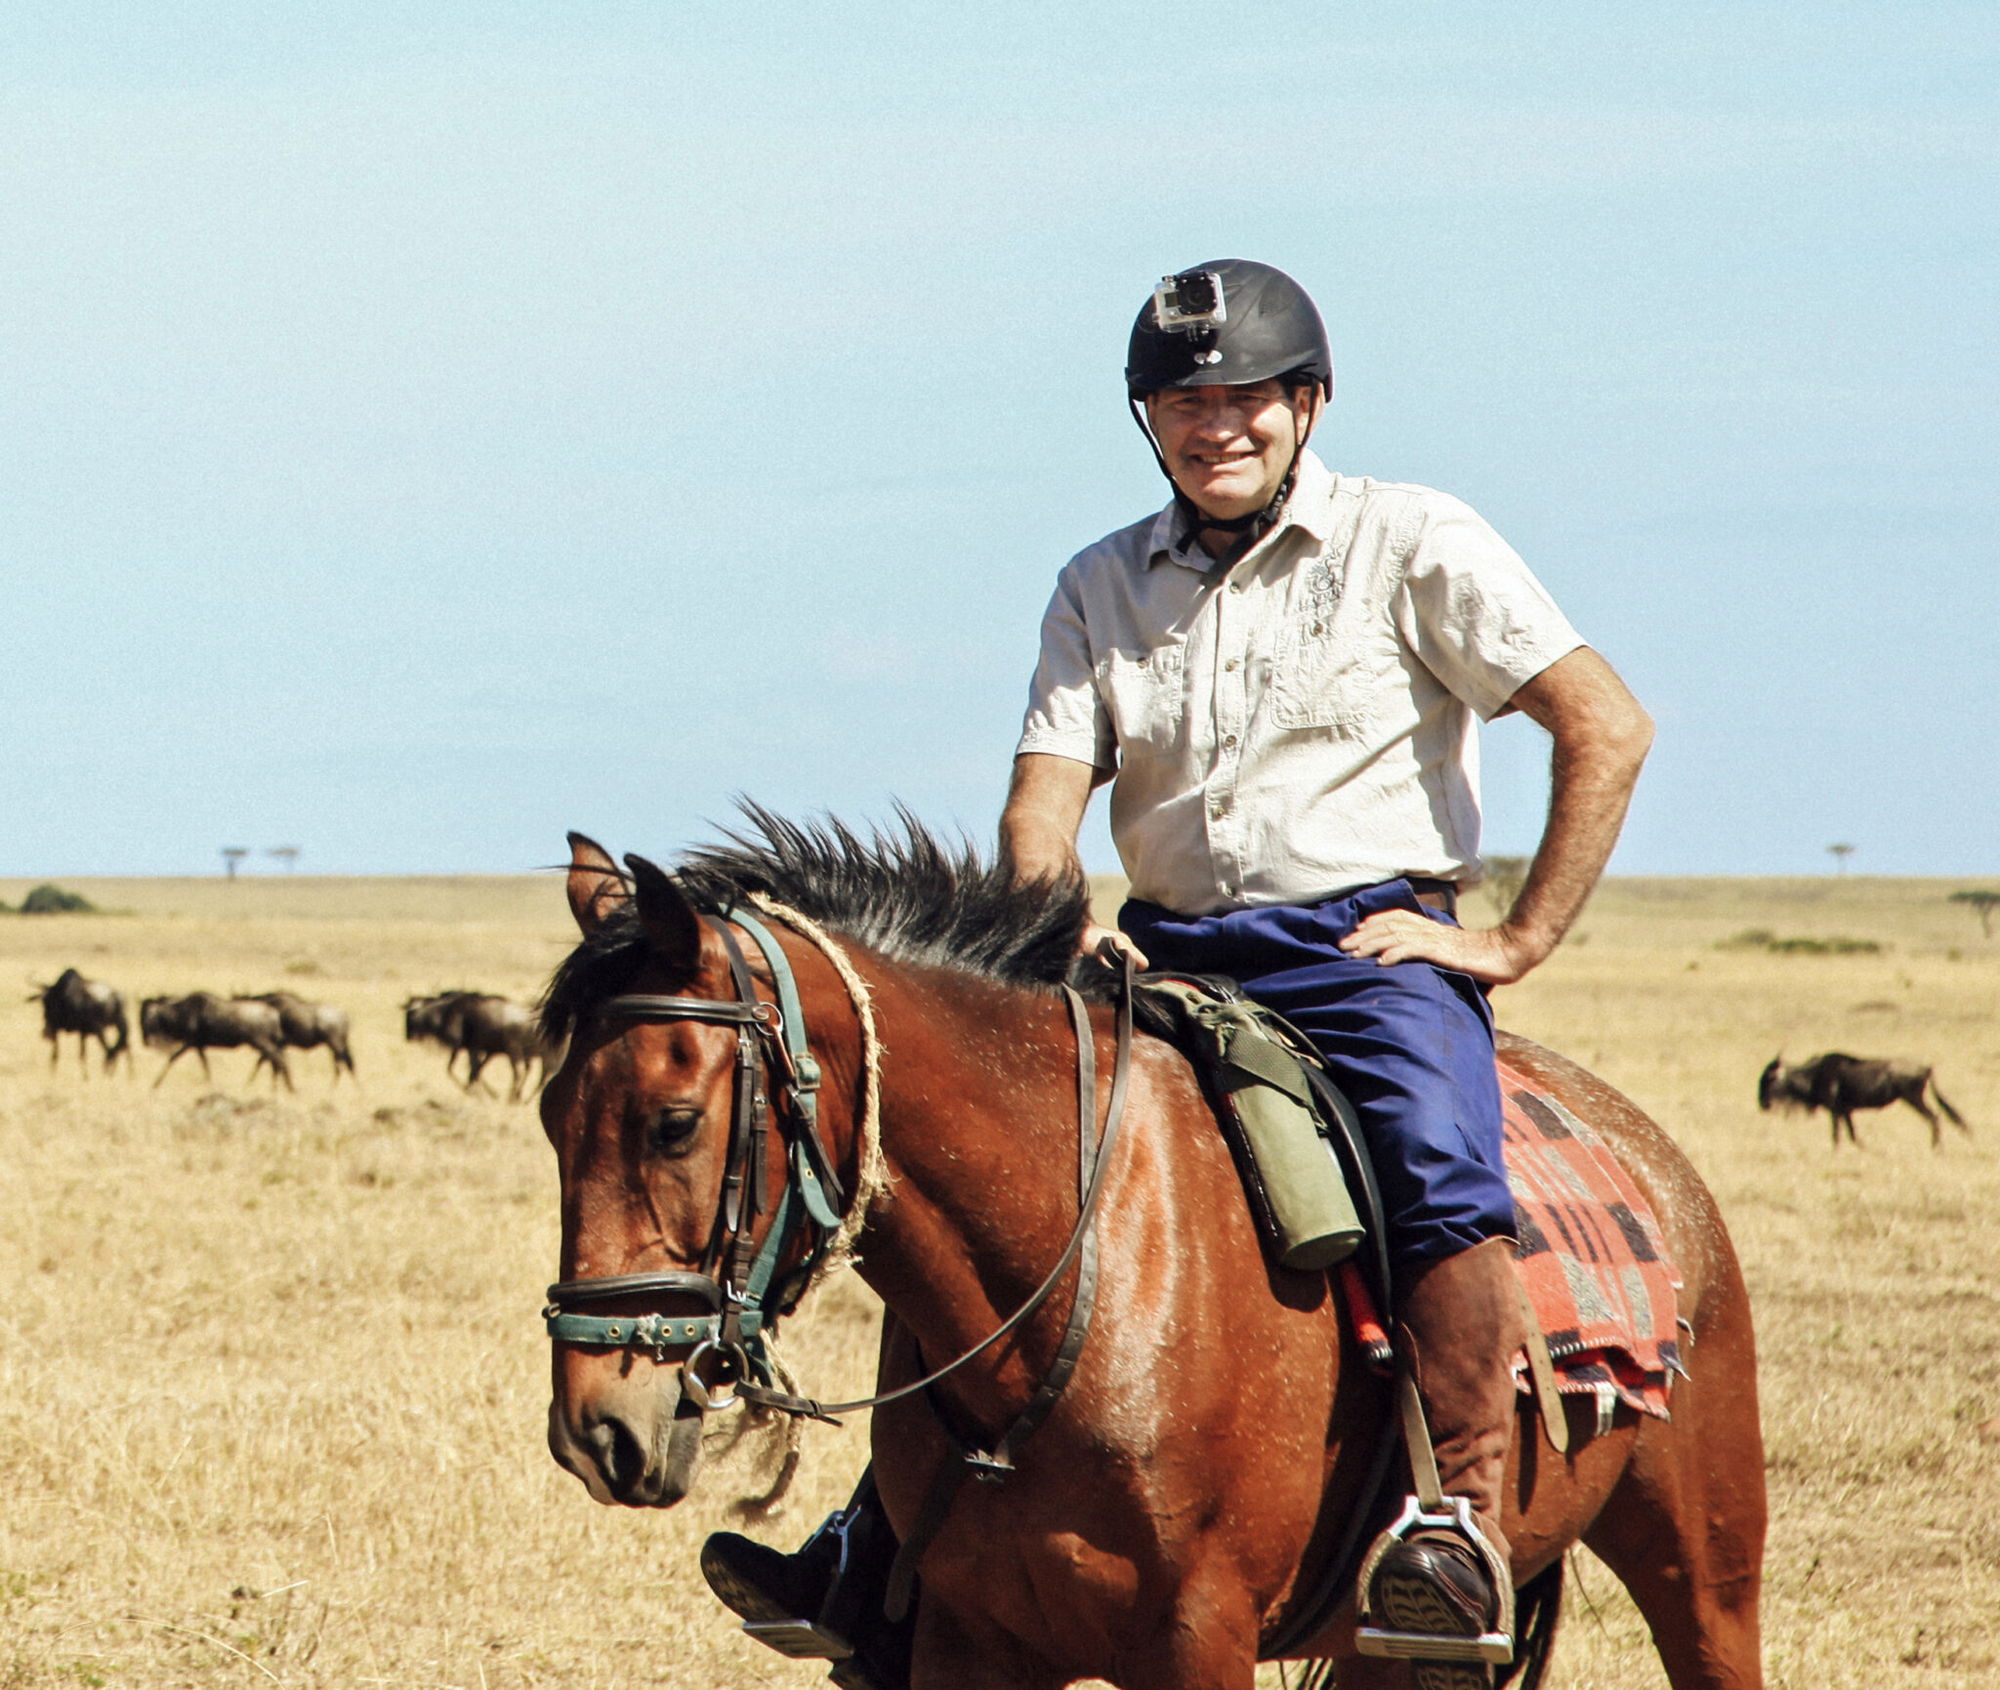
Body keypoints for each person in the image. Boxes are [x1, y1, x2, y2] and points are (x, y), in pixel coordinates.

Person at [705, 258, 1652, 1690]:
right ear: (1147, 421)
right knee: (988, 1177)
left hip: (1361, 953)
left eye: (1245, 397)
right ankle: (884, 1534)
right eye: (1181, 403)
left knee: (1432, 1161)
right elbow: (1042, 806)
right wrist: (1058, 917)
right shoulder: (1099, 582)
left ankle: (1453, 1518)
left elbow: (1606, 724)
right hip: (1159, 951)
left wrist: (1513, 939)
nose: (1215, 426)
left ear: (1308, 403)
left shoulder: (1414, 541)